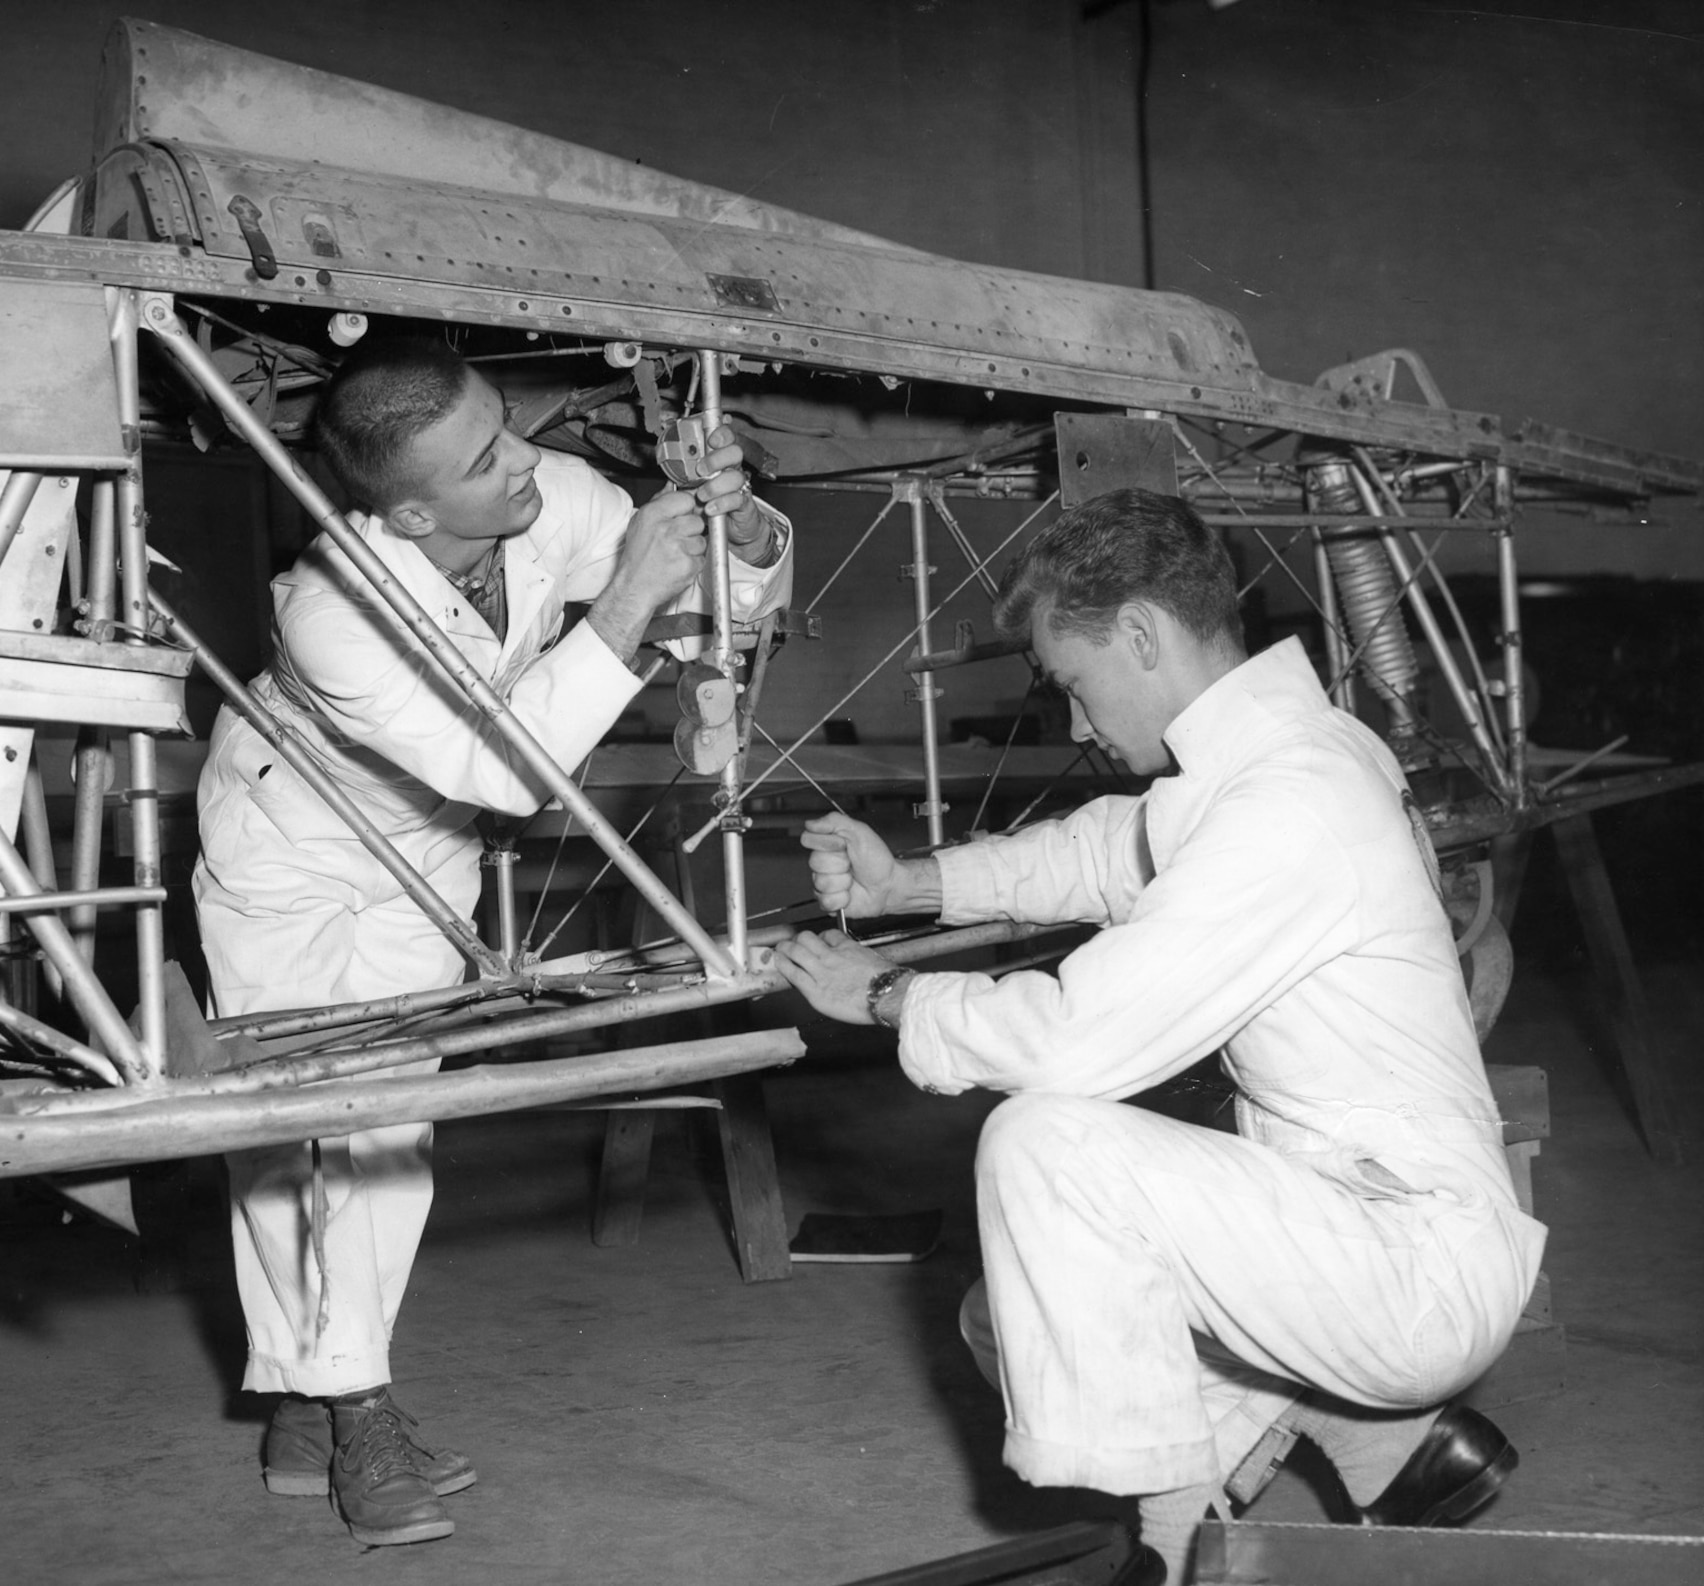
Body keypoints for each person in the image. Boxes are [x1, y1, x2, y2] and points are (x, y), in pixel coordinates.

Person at [772, 488, 1543, 1580]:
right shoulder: (1276, 755)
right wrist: (911, 882)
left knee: (1045, 1144)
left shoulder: (1293, 798)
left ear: (1139, 633)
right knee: (1007, 1317)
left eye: (1075, 686)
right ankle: (1389, 1447)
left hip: (1407, 1257)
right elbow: (1096, 850)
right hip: (1343, 1216)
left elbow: (1077, 1043)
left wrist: (890, 996)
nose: (1078, 724)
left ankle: (1177, 1556)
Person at [193, 339, 792, 1548]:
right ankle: (358, 1413)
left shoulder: (541, 496)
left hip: (420, 848)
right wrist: (622, 595)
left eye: (507, 426)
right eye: (484, 459)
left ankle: (310, 1405)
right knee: (284, 1119)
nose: (524, 461)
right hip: (288, 855)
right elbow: (505, 768)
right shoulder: (328, 606)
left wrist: (746, 526)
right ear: (409, 511)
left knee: (391, 1127)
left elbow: (713, 595)